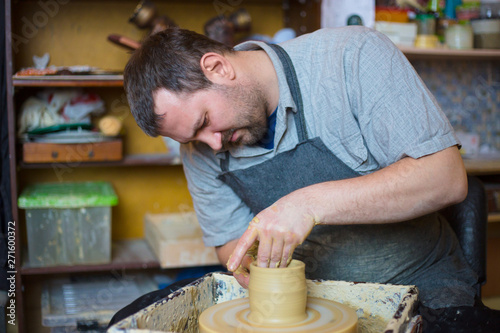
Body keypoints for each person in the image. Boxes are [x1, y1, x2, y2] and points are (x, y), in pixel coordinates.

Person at [123, 26, 498, 330]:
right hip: (305, 301)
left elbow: (445, 178)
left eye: (204, 122)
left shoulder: (351, 58)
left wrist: (307, 204)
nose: (212, 144)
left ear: (218, 67)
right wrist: (256, 272)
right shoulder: (202, 148)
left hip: (418, 285)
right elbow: (230, 245)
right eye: (193, 139)